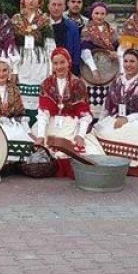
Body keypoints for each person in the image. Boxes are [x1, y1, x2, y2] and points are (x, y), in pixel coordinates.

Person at [32, 47, 93, 178]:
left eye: (62, 62)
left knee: (76, 147)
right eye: (55, 63)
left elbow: (84, 114)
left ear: (68, 62)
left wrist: (81, 135)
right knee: (44, 144)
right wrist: (41, 135)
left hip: (71, 122)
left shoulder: (78, 84)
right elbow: (43, 113)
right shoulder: (47, 84)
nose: (59, 67)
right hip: (51, 122)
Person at [12, 0, 55, 123]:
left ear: (39, 0)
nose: (31, 1)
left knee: (37, 99)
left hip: (39, 63)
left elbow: (50, 46)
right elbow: (11, 47)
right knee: (21, 97)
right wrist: (13, 69)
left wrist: (51, 71)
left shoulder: (45, 19)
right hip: (21, 62)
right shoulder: (16, 19)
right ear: (23, 0)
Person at [79, 1, 118, 119]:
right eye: (96, 13)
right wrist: (94, 69)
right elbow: (84, 51)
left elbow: (118, 47)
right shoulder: (87, 30)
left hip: (108, 72)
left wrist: (116, 53)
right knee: (91, 100)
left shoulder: (112, 31)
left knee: (106, 100)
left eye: (102, 13)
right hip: (90, 72)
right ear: (92, 14)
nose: (99, 16)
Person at [47, 0, 81, 75]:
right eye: (53, 4)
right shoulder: (41, 25)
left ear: (64, 7)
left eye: (59, 5)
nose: (56, 8)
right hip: (45, 70)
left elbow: (76, 52)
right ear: (48, 6)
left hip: (66, 71)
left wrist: (74, 73)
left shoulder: (72, 26)